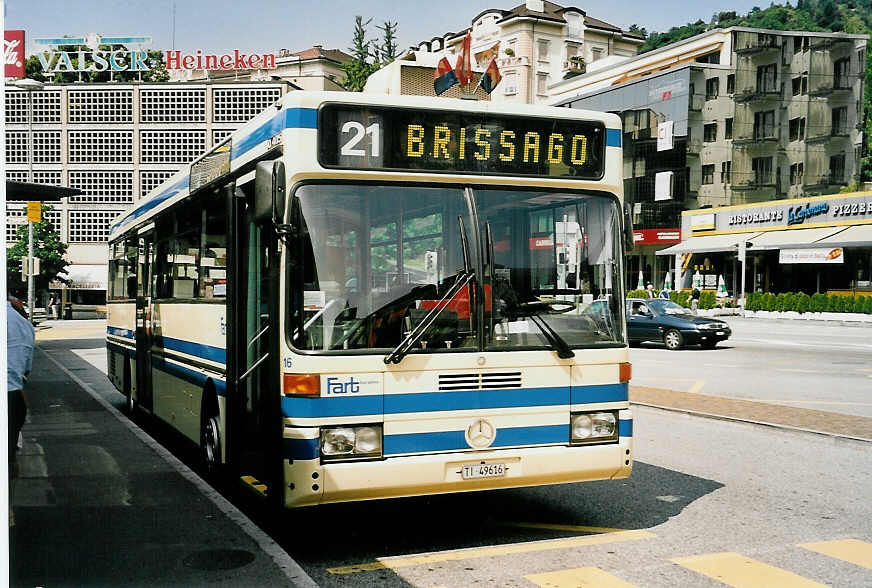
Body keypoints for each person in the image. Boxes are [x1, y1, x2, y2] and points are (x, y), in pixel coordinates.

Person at [7, 296, 35, 526]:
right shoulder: (23, 324)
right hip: (12, 398)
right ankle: (7, 510)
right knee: (8, 459)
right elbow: (26, 371)